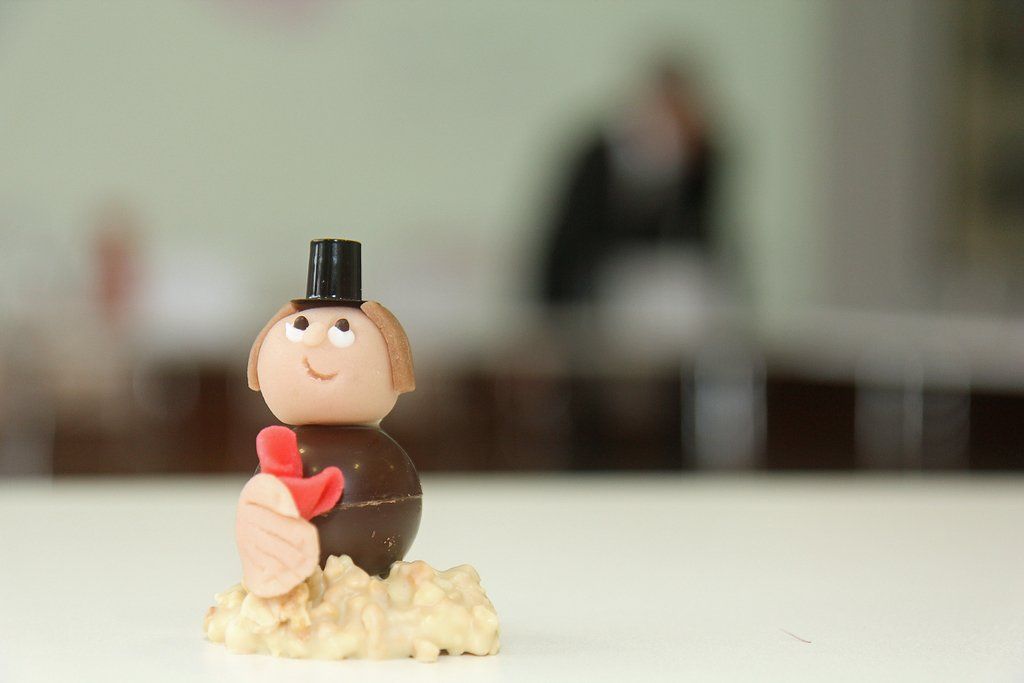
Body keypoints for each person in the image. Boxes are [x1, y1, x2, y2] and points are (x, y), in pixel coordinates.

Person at [540, 62, 717, 305]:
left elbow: (701, 242)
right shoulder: (598, 160)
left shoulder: (699, 163)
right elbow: (565, 246)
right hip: (592, 288)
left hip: (661, 292)